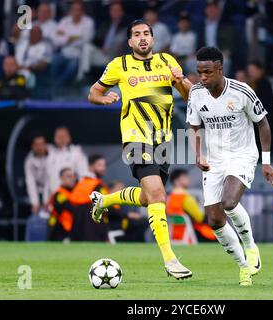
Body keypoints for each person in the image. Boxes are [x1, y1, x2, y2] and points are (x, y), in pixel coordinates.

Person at [88, 19, 193, 280]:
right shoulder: (119, 65)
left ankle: (104, 200)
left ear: (153, 39)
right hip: (136, 138)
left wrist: (181, 81)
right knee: (158, 194)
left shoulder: (168, 61)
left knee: (148, 198)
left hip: (163, 140)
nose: (142, 38)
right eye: (137, 34)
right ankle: (170, 260)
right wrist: (104, 99)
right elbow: (93, 93)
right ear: (130, 41)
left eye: (146, 33)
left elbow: (190, 96)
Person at [186, 46, 273, 286]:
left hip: (242, 155)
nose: (202, 77)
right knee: (215, 220)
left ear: (220, 69)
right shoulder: (196, 93)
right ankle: (243, 267)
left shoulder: (241, 91)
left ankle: (250, 246)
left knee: (229, 202)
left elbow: (263, 124)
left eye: (207, 72)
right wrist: (198, 155)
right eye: (199, 72)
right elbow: (194, 127)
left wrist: (266, 163)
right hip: (214, 160)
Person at [51, 1, 94, 86]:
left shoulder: (88, 22)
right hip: (63, 53)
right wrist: (72, 38)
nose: (75, 12)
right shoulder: (64, 21)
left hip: (78, 55)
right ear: (70, 11)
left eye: (78, 10)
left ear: (82, 11)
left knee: (72, 67)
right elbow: (55, 39)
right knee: (54, 60)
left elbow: (86, 40)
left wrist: (65, 36)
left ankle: (59, 86)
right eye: (73, 10)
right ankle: (53, 86)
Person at [167, 169, 215, 243]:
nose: (188, 179)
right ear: (176, 181)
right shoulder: (186, 198)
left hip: (175, 235)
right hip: (192, 234)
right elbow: (200, 217)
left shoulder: (169, 198)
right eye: (184, 177)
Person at [70, 154, 110, 242]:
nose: (103, 168)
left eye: (104, 165)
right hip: (93, 226)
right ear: (91, 167)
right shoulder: (97, 185)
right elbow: (107, 205)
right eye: (99, 165)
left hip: (78, 227)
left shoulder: (81, 183)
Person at [247, 61, 273, 157]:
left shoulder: (264, 84)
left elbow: (264, 103)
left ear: (260, 71)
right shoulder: (252, 83)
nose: (251, 73)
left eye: (253, 70)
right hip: (261, 118)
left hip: (269, 118)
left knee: (270, 141)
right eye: (250, 71)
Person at [47, 126, 89, 193]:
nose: (61, 139)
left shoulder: (77, 153)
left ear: (69, 137)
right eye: (58, 136)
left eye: (63, 136)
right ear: (54, 138)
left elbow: (83, 175)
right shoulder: (49, 153)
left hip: (70, 195)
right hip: (52, 195)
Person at [48, 168, 76, 241]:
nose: (72, 179)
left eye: (73, 176)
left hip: (71, 229)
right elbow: (72, 208)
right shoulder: (59, 194)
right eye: (68, 176)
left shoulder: (75, 192)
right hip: (59, 230)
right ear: (61, 178)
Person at [24, 134, 50, 215]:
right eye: (36, 145)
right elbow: (30, 182)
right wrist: (35, 203)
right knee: (36, 215)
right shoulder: (29, 160)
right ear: (32, 146)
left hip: (52, 191)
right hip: (37, 191)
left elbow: (50, 181)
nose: (39, 147)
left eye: (41, 144)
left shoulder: (54, 156)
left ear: (46, 145)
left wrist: (47, 201)